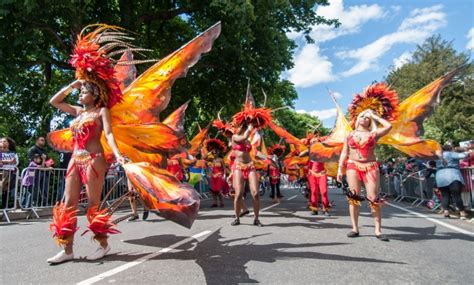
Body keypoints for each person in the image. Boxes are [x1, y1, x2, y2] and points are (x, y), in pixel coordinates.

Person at [47, 79, 126, 264]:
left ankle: (103, 245)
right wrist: (73, 85)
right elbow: (54, 101)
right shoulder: (78, 111)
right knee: (68, 205)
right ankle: (67, 250)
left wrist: (118, 154)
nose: (80, 94)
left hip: (94, 159)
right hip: (75, 160)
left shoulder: (101, 111)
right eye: (80, 91)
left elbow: (109, 134)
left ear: (95, 94)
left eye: (84, 91)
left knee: (93, 205)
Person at [337, 109, 392, 241]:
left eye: (367, 117)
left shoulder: (374, 133)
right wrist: (339, 168)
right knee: (354, 197)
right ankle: (355, 228)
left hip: (371, 166)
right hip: (352, 166)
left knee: (373, 198)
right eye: (361, 116)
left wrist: (374, 115)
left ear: (370, 121)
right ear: (357, 119)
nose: (364, 118)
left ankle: (378, 231)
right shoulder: (350, 134)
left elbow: (389, 126)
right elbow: (344, 152)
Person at [435, 145, 470, 219]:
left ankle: (446, 213)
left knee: (445, 195)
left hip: (440, 177)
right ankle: (462, 213)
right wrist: (468, 151)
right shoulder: (450, 153)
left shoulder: (437, 156)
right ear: (450, 148)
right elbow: (463, 155)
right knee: (457, 195)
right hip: (452, 175)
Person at [0, 137, 19, 209]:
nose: (2, 142)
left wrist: (10, 162)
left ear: (8, 143)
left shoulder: (13, 153)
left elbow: (16, 163)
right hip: (2, 172)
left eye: (4, 141)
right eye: (1, 141)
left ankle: (5, 207)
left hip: (9, 173)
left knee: (5, 190)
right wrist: (9, 161)